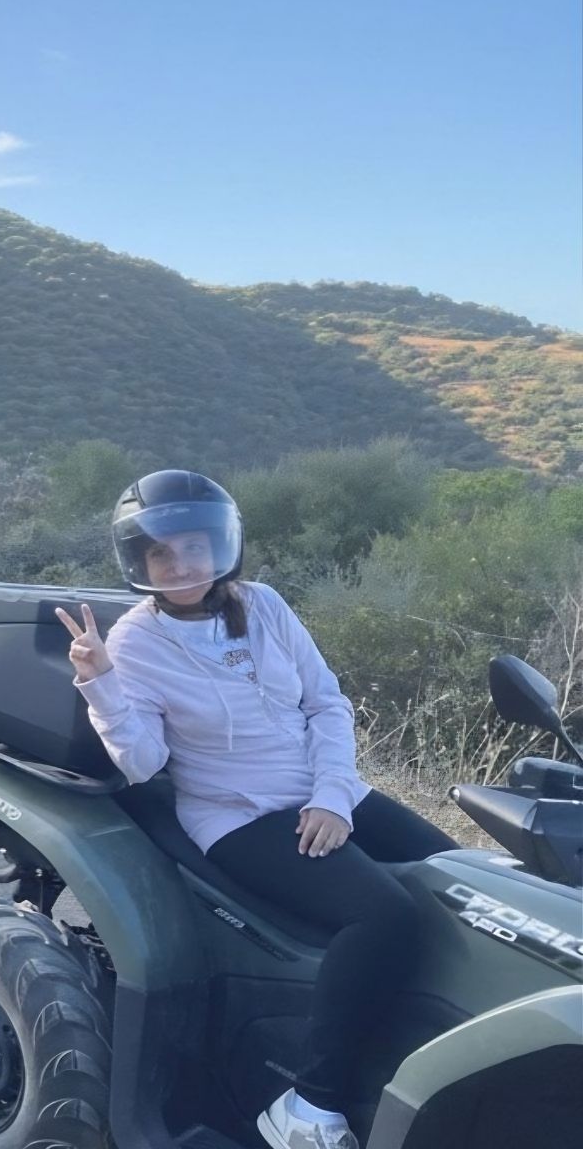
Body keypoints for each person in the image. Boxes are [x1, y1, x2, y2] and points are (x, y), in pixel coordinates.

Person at [56, 470, 454, 1149]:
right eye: (160, 553)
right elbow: (145, 763)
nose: (180, 565)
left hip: (326, 791)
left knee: (462, 875)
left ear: (221, 546)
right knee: (383, 914)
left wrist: (333, 795)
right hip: (237, 814)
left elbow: (326, 702)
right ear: (139, 562)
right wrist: (101, 682)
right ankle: (311, 1102)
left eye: (192, 547)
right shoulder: (134, 642)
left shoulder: (265, 605)